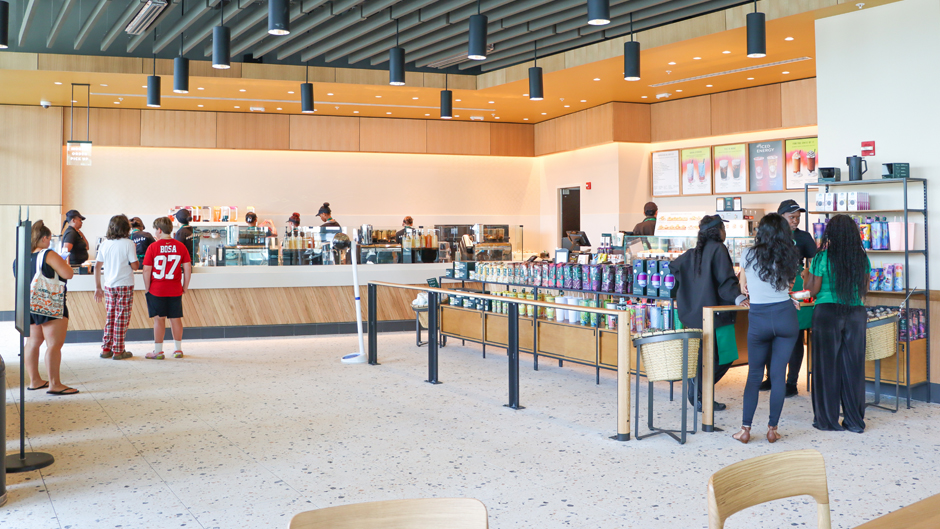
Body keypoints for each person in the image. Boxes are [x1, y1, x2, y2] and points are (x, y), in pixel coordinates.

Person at [733, 214, 801, 444]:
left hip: (759, 318)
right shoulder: (790, 255)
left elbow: (744, 286)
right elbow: (788, 286)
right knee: (778, 376)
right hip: (785, 315)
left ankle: (745, 430)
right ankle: (772, 429)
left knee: (754, 376)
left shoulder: (747, 254)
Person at [670, 215, 748, 412]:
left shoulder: (693, 253)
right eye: (724, 227)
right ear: (718, 229)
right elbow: (726, 281)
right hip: (717, 315)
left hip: (694, 315)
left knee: (704, 358)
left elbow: (673, 268)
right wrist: (739, 298)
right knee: (725, 356)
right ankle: (698, 390)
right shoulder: (718, 249)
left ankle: (699, 392)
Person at [804, 214, 871, 433]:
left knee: (825, 368)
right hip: (856, 313)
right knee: (853, 367)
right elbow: (864, 289)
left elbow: (811, 291)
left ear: (830, 233)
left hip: (826, 314)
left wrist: (805, 275)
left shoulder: (821, 257)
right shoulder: (861, 257)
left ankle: (827, 420)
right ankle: (854, 421)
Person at [759, 199, 818, 397]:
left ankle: (791, 382)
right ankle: (770, 377)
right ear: (780, 217)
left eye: (798, 218)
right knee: (770, 335)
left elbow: (813, 262)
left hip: (797, 287)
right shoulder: (771, 236)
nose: (795, 221)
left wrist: (808, 277)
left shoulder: (803, 237)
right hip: (772, 286)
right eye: (792, 217)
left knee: (796, 335)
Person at [16, 220, 78, 395]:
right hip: (49, 303)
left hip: (28, 304)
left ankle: (34, 380)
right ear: (43, 238)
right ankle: (55, 384)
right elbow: (69, 274)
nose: (49, 242)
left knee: (33, 342)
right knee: (53, 345)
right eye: (49, 239)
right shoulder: (48, 254)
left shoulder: (21, 257)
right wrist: (63, 261)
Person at [143, 217, 192, 360]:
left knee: (159, 320)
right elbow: (187, 268)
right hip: (175, 288)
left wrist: (148, 288)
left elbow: (147, 270)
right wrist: (185, 286)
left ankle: (158, 351)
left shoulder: (153, 247)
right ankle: (178, 350)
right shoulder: (180, 246)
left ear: (159, 230)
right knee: (176, 319)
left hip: (157, 289)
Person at [94, 215, 140, 360]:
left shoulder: (105, 244)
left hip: (109, 285)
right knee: (121, 318)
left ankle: (106, 348)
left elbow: (97, 267)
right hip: (124, 284)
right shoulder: (129, 243)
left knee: (110, 316)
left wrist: (98, 287)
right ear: (126, 228)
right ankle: (119, 350)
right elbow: (135, 266)